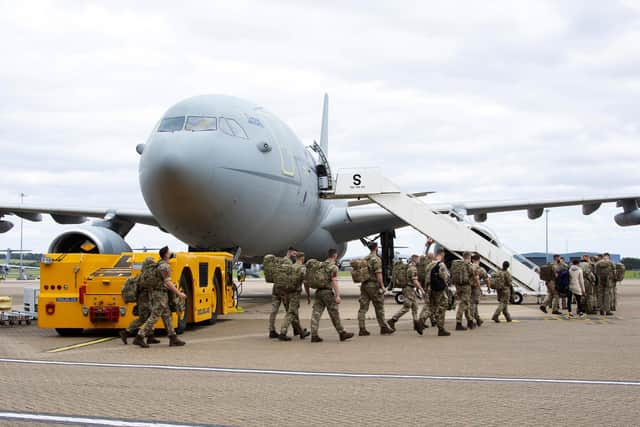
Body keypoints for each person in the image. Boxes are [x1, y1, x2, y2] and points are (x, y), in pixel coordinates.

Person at [133, 247, 186, 348]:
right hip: (160, 295)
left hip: (160, 294)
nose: (171, 253)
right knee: (155, 316)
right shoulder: (164, 267)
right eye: (169, 252)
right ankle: (140, 336)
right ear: (166, 255)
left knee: (167, 315)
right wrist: (179, 293)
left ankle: (173, 337)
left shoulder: (160, 264)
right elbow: (168, 282)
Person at [310, 249, 354, 342]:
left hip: (318, 292)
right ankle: (342, 333)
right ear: (335, 255)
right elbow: (334, 281)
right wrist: (338, 295)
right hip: (327, 292)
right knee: (334, 313)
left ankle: (314, 335)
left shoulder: (320, 265)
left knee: (316, 313)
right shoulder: (333, 267)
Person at [357, 242, 394, 336]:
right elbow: (378, 273)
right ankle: (383, 327)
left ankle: (362, 329)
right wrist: (382, 286)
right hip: (373, 285)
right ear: (376, 247)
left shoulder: (365, 258)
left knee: (362, 308)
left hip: (364, 285)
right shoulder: (376, 259)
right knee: (379, 307)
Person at [120, 257, 157, 345]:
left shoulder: (144, 274)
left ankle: (151, 337)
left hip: (146, 299)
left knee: (149, 317)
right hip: (143, 300)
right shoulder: (144, 276)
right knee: (143, 318)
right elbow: (148, 286)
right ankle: (126, 332)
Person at [388, 255, 426, 335]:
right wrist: (422, 290)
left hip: (410, 288)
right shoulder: (413, 268)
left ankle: (416, 324)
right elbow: (415, 281)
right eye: (418, 259)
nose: (419, 261)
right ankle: (393, 320)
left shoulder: (409, 267)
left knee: (415, 307)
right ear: (415, 259)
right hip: (408, 289)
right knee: (407, 307)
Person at [278, 252, 310, 341]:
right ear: (302, 258)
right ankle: (283, 332)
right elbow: (306, 282)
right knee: (291, 313)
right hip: (295, 293)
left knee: (293, 313)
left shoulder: (291, 266)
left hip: (286, 292)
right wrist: (308, 295)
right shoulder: (302, 268)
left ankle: (301, 332)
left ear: (296, 258)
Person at [419, 248, 450, 336]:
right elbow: (445, 278)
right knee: (443, 305)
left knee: (431, 306)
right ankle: (441, 328)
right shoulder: (441, 265)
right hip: (439, 289)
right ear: (442, 254)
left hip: (430, 288)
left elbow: (426, 277)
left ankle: (421, 320)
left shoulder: (429, 265)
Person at [268, 247, 297, 339]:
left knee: (274, 311)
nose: (294, 254)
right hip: (284, 290)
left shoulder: (278, 261)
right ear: (290, 252)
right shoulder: (288, 262)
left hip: (276, 288)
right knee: (290, 311)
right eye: (294, 253)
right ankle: (296, 329)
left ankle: (271, 330)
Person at [453, 252, 475, 331]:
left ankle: (470, 320)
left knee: (466, 303)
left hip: (458, 286)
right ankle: (458, 323)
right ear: (468, 257)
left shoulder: (458, 264)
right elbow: (473, 273)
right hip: (466, 286)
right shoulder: (468, 264)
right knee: (463, 304)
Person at [470, 254, 489, 327]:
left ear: (472, 260)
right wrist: (488, 288)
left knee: (471, 304)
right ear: (479, 260)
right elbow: (486, 279)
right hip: (475, 288)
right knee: (474, 304)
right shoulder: (480, 269)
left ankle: (477, 319)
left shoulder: (468, 267)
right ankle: (471, 320)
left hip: (467, 288)